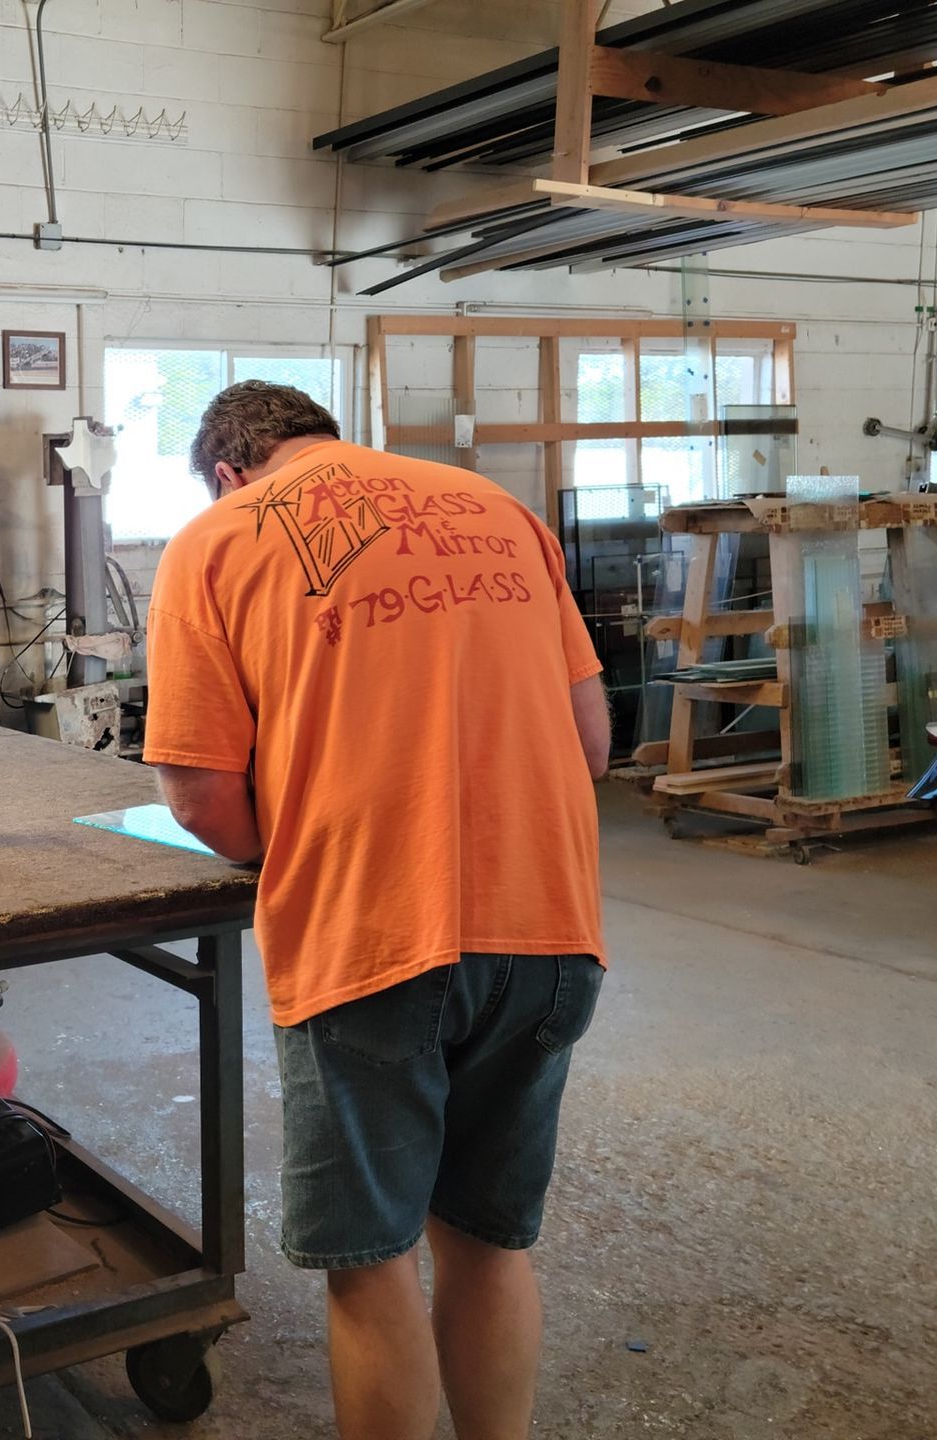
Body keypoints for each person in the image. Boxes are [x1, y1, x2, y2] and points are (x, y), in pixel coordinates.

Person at [143, 380, 608, 1440]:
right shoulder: (501, 513)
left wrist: (313, 838)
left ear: (227, 471)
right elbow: (590, 747)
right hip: (549, 929)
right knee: (488, 1244)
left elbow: (199, 792)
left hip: (372, 937)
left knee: (372, 1266)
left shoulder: (217, 539)